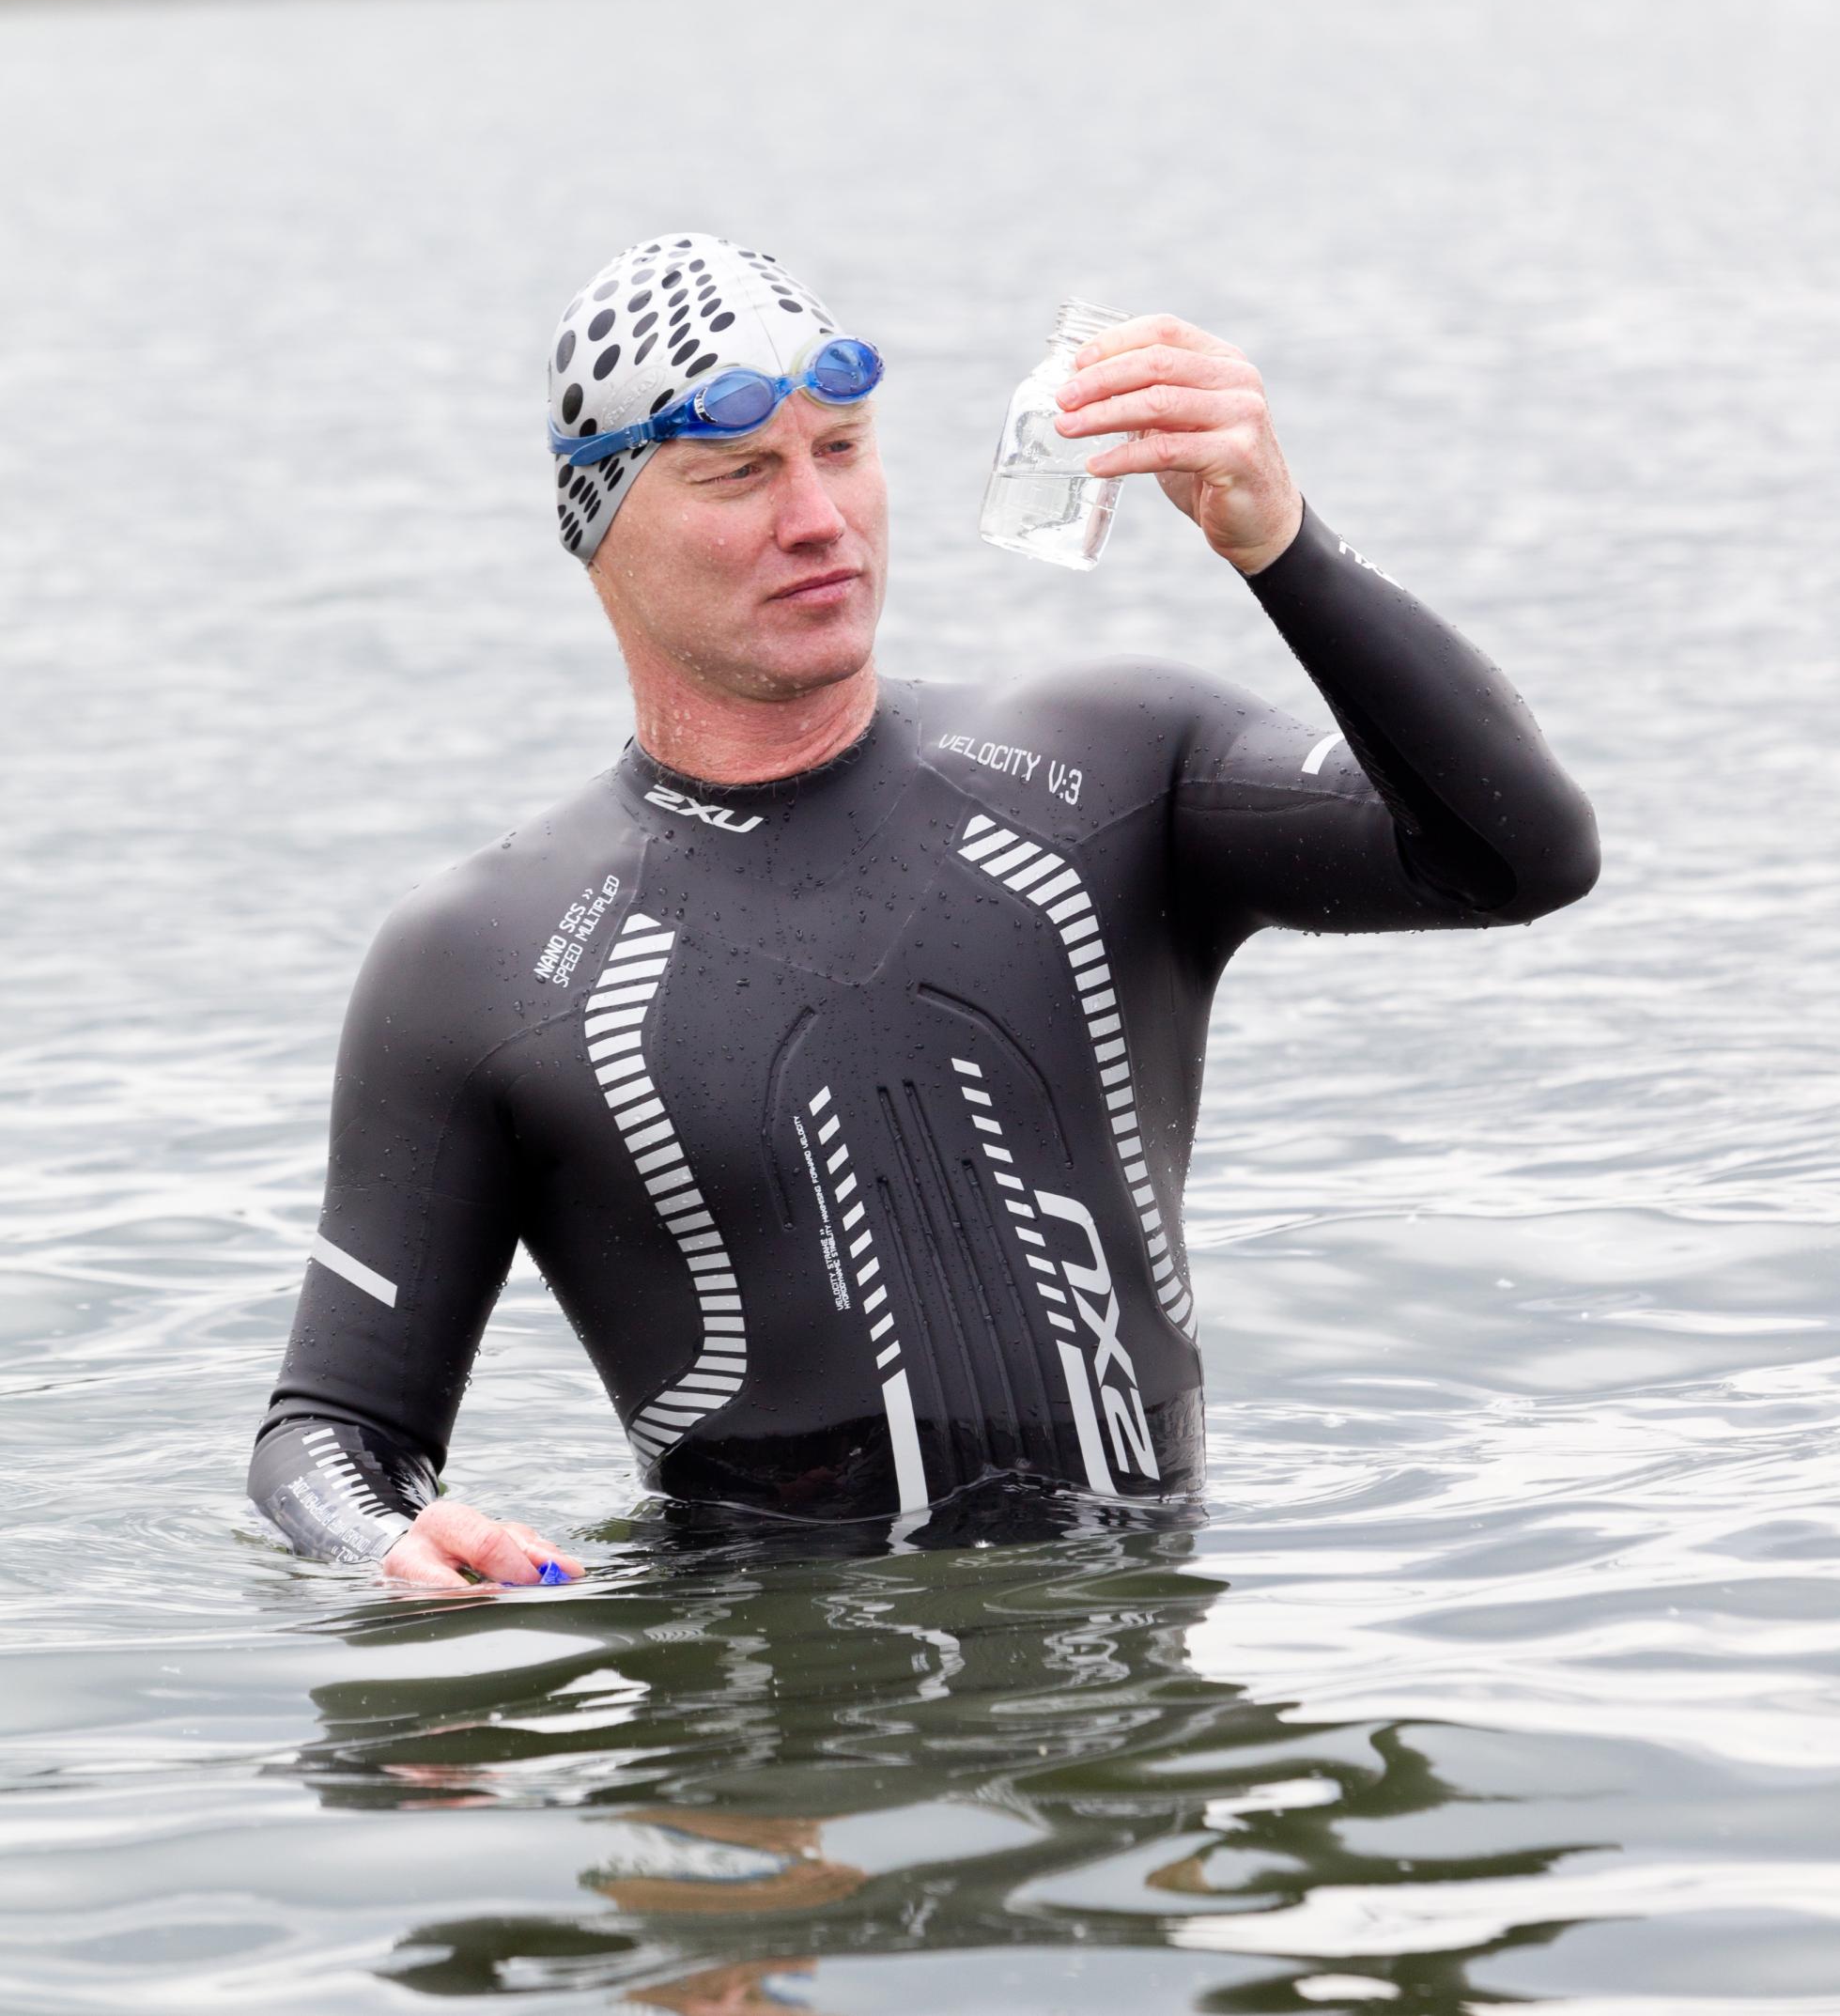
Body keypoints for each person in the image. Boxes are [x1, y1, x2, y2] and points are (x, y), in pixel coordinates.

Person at [249, 232, 1598, 1590]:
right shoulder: (477, 960)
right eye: (740, 475)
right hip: (778, 1733)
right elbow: (332, 1437)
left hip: (1136, 1741)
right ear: (602, 535)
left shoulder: (1111, 767)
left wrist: (1283, 546)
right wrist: (391, 1547)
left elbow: (1518, 856)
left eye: (841, 450)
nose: (817, 520)